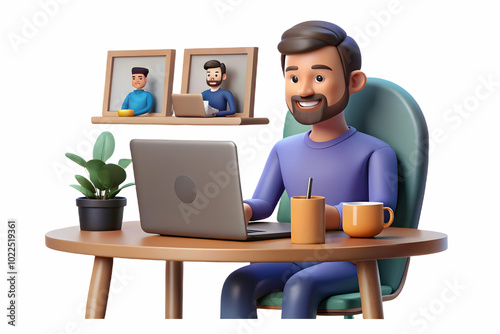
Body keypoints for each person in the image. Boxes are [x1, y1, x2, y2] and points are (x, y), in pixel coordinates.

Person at [220, 21, 398, 319]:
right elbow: (264, 203)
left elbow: (383, 212)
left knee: (301, 287)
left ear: (353, 82)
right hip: (291, 256)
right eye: (293, 78)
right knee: (237, 283)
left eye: (318, 76)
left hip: (351, 262)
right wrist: (243, 210)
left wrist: (329, 215)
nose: (303, 90)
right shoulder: (284, 149)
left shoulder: (375, 151)